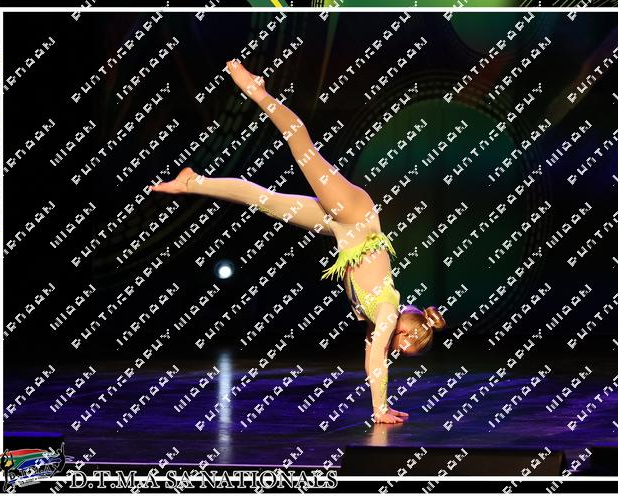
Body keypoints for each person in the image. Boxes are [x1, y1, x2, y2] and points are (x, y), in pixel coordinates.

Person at [150, 60, 446, 424]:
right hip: (354, 214)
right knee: (301, 145)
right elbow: (376, 359)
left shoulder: (380, 319)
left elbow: (375, 355)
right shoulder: (386, 311)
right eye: (401, 347)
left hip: (344, 227)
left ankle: (192, 182)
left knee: (266, 201)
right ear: (405, 329)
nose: (394, 351)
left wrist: (383, 403)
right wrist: (379, 409)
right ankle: (257, 90)